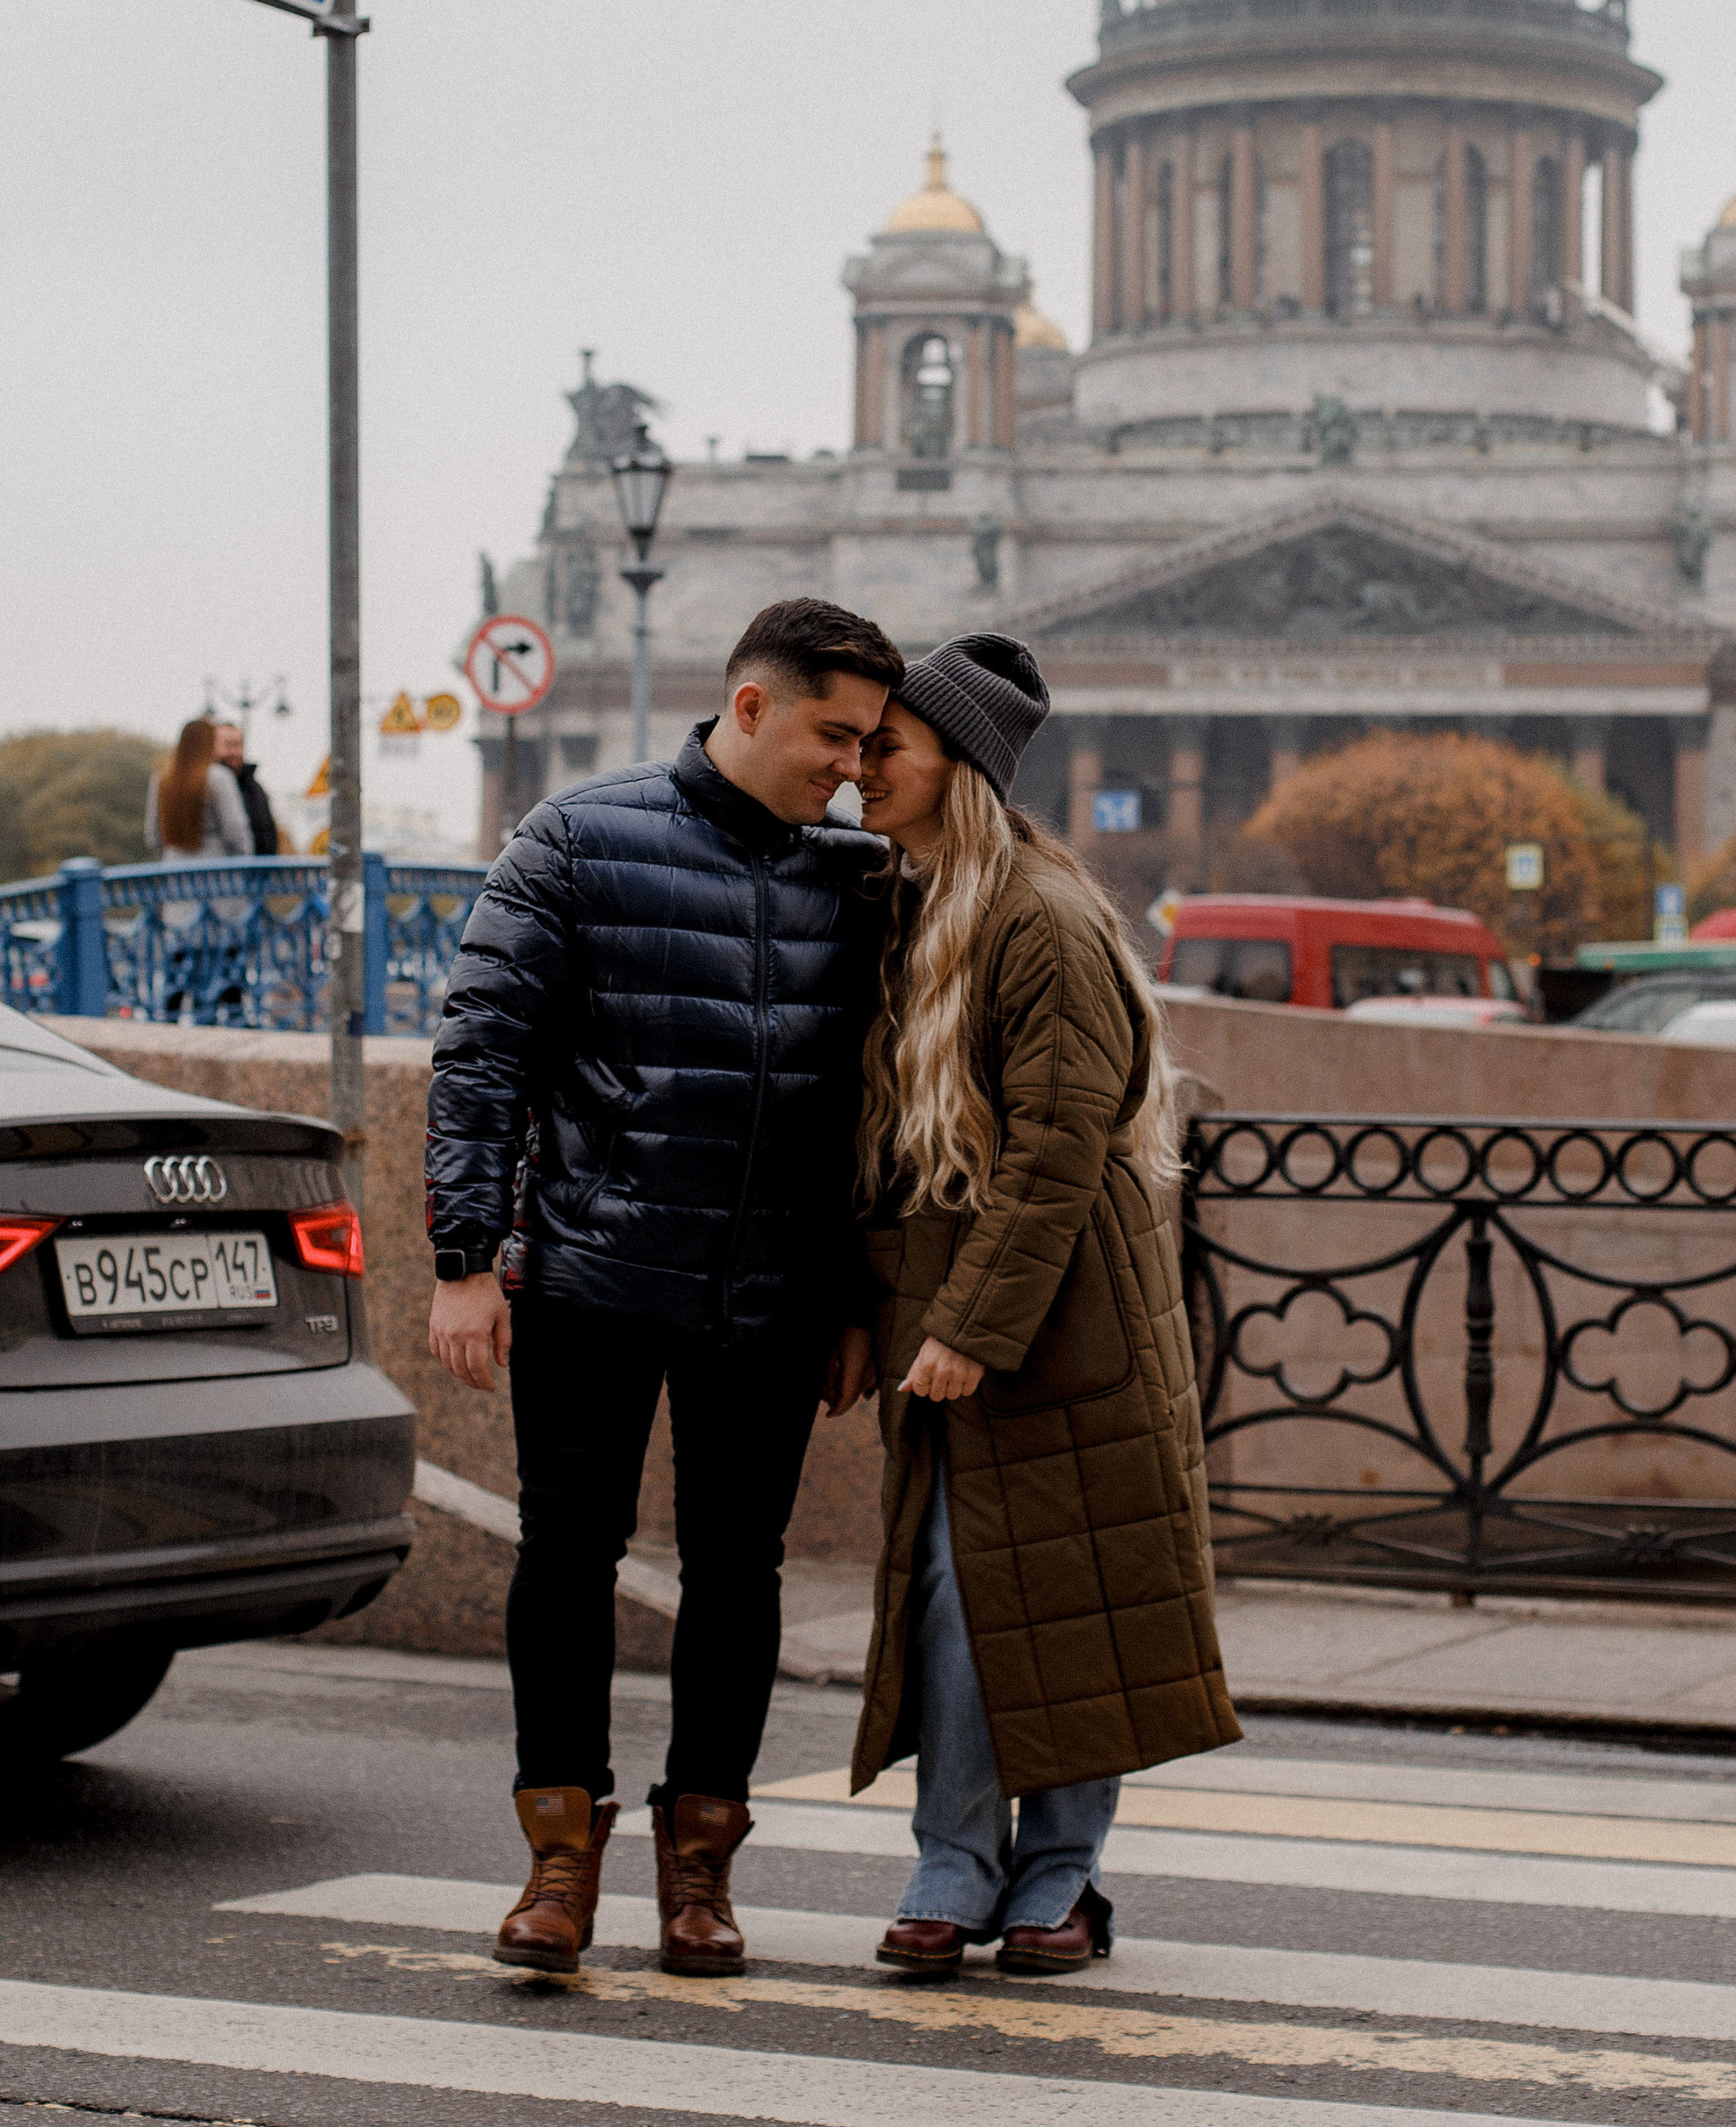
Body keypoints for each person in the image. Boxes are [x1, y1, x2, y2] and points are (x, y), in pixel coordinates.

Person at [422, 595, 904, 1980]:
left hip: (773, 1293)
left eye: (869, 742)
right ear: (749, 706)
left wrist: (862, 1298)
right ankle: (558, 1865)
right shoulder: (576, 836)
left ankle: (701, 1872)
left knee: (736, 1575)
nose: (853, 768)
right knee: (565, 1561)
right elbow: (481, 1060)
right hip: (588, 1269)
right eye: (834, 733)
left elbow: (876, 1109)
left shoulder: (856, 875)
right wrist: (465, 1260)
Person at [842, 630, 1239, 1979]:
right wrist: (874, 1309)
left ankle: (1053, 1881)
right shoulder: (913, 904)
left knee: (1076, 1598)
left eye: (884, 747)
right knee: (964, 1596)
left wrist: (968, 1324)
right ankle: (955, 1864)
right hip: (971, 1308)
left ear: (955, 765)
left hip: (1065, 1323)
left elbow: (1058, 1145)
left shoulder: (1040, 921)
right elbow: (880, 1146)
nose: (857, 769)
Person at [147, 717, 255, 860]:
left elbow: (153, 837)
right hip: (216, 871)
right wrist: (246, 860)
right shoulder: (218, 777)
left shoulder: (162, 779)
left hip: (174, 870)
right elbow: (235, 831)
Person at [212, 722, 281, 857]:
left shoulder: (254, 787)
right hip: (228, 871)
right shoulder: (210, 785)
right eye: (228, 745)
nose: (235, 752)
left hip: (259, 871)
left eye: (238, 745)